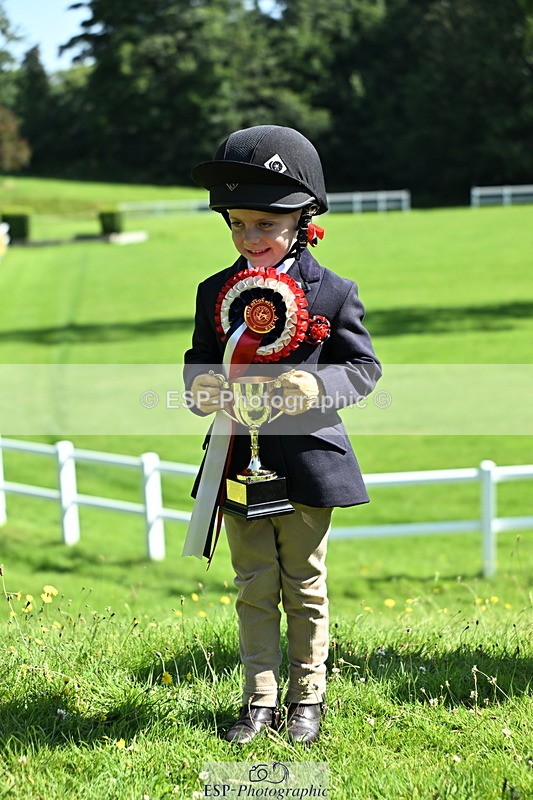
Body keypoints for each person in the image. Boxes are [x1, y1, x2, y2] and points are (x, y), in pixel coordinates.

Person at [183, 125, 381, 744]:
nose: (250, 238)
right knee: (253, 585)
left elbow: (364, 369)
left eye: (265, 224)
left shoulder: (335, 291)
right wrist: (201, 389)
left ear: (303, 220)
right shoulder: (215, 291)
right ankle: (259, 700)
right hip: (238, 462)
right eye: (238, 224)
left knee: (304, 583)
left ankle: (308, 697)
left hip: (308, 464)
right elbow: (198, 361)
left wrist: (319, 388)